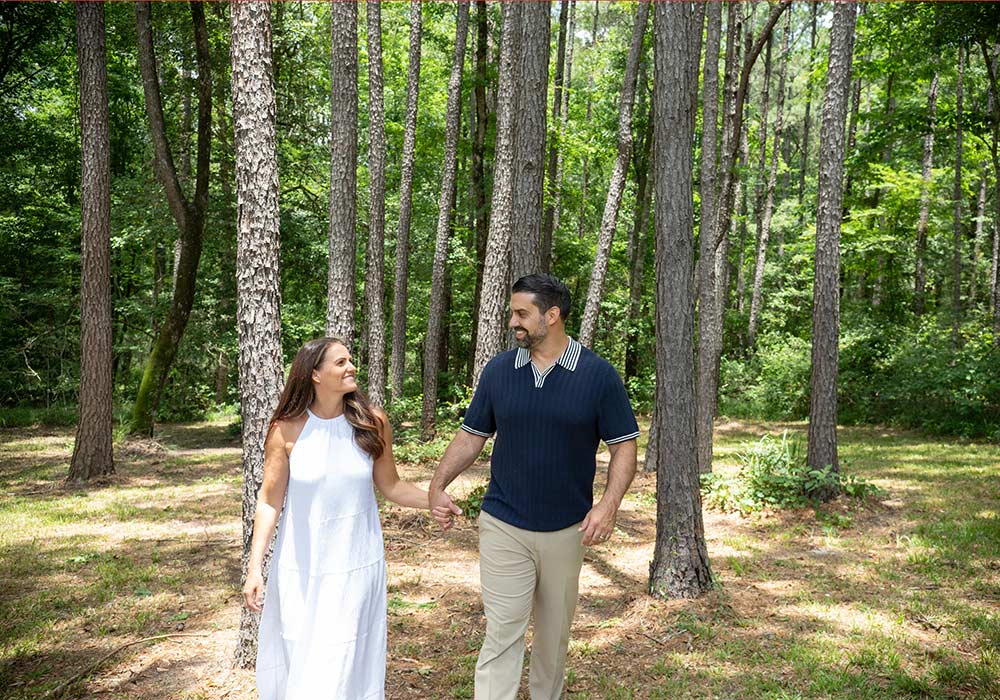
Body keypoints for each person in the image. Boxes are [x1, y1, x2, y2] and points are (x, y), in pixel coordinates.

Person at [430, 274, 640, 700]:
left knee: (552, 640)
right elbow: (472, 435)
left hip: (567, 529)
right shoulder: (500, 371)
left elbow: (624, 447)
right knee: (502, 630)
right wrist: (437, 484)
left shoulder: (598, 376)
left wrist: (608, 506)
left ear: (553, 315)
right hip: (504, 523)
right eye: (513, 312)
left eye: (522, 313)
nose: (513, 322)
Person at [243, 337, 428, 700]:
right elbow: (269, 501)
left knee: (347, 656)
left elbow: (392, 486)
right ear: (315, 374)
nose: (351, 367)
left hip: (356, 565)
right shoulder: (286, 429)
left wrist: (436, 501)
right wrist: (254, 568)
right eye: (341, 362)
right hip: (302, 568)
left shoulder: (371, 422)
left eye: (351, 360)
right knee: (304, 656)